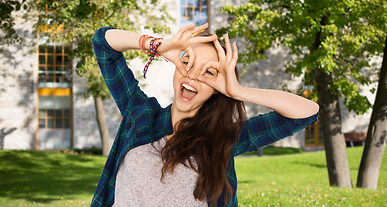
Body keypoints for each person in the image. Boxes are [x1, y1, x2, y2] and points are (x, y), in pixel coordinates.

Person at [90, 23, 319, 207]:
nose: (194, 76)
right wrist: (159, 46)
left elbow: (306, 113)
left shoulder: (223, 137)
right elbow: (103, 43)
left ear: (216, 89)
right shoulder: (140, 114)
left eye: (209, 72)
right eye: (187, 62)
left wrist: (237, 91)